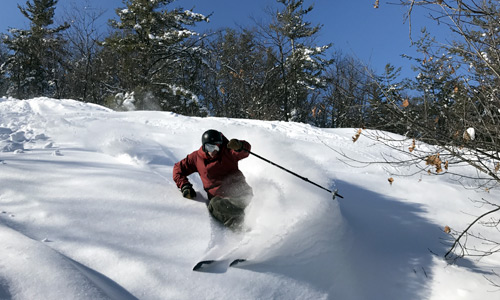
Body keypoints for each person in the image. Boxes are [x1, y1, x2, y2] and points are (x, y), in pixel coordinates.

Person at [173, 129, 253, 229]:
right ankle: (242, 227)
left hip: (240, 191)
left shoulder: (227, 151)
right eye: (209, 147)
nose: (213, 151)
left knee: (249, 203)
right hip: (221, 200)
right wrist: (184, 185)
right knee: (215, 205)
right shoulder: (196, 158)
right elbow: (178, 169)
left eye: (216, 147)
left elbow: (245, 151)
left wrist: (239, 146)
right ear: (204, 146)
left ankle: (258, 217)